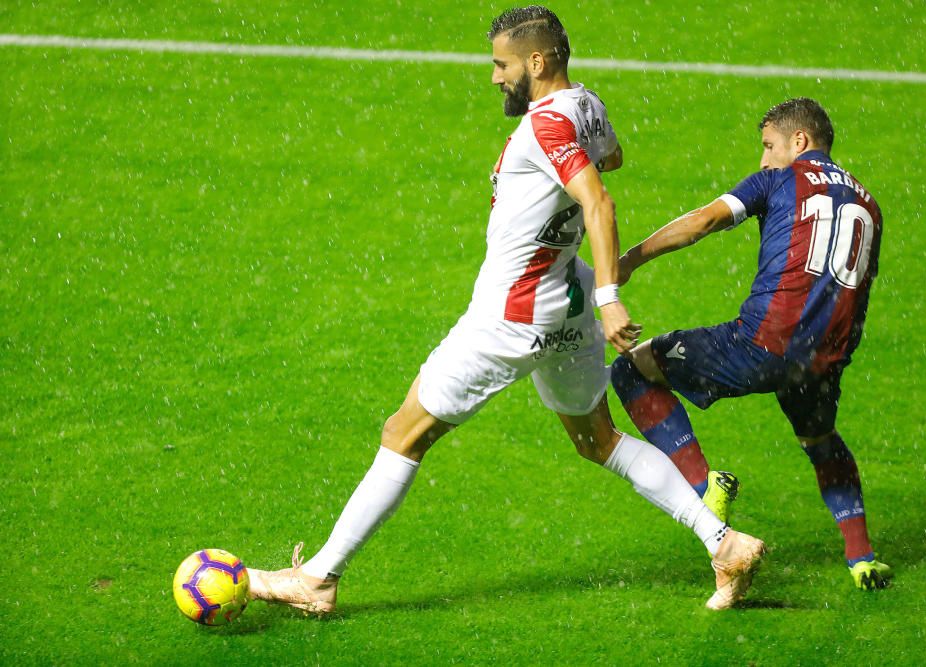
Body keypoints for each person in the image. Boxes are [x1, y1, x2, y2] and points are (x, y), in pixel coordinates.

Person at [246, 5, 765, 615]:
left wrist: (609, 296)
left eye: (503, 64)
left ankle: (320, 579)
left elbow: (599, 201)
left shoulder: (546, 126)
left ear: (537, 62)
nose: (495, 77)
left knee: (404, 432)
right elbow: (612, 156)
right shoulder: (586, 104)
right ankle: (723, 541)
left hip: (515, 312)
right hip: (562, 297)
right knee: (597, 439)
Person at [611, 97, 892, 591]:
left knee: (632, 369)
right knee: (820, 440)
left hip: (761, 345)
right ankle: (862, 557)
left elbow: (704, 221)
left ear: (799, 142)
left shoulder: (779, 180)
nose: (763, 159)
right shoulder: (868, 202)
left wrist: (631, 260)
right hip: (823, 359)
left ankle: (705, 487)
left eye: (769, 146)